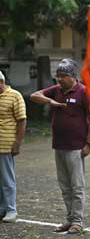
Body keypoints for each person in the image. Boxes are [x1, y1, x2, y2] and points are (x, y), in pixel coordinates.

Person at [30, 59, 90, 235]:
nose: (59, 79)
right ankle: (69, 218)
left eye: (63, 76)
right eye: (57, 76)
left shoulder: (83, 92)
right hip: (59, 145)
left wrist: (89, 143)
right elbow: (34, 95)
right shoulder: (57, 90)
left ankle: (77, 221)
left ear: (73, 76)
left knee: (77, 186)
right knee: (65, 185)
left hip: (76, 147)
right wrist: (50, 102)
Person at [0, 71, 26, 223]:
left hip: (6, 144)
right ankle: (2, 208)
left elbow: (22, 120)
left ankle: (11, 210)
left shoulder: (15, 96)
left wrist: (17, 143)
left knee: (7, 179)